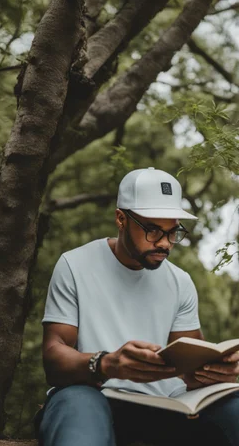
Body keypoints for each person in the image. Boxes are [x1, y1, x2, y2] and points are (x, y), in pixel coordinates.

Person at [38, 167, 239, 446]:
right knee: (79, 404)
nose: (164, 243)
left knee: (235, 406)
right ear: (121, 219)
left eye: (173, 232)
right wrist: (106, 363)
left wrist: (218, 373)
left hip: (168, 406)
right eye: (153, 230)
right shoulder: (75, 265)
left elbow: (189, 365)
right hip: (95, 398)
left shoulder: (180, 281)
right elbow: (54, 357)